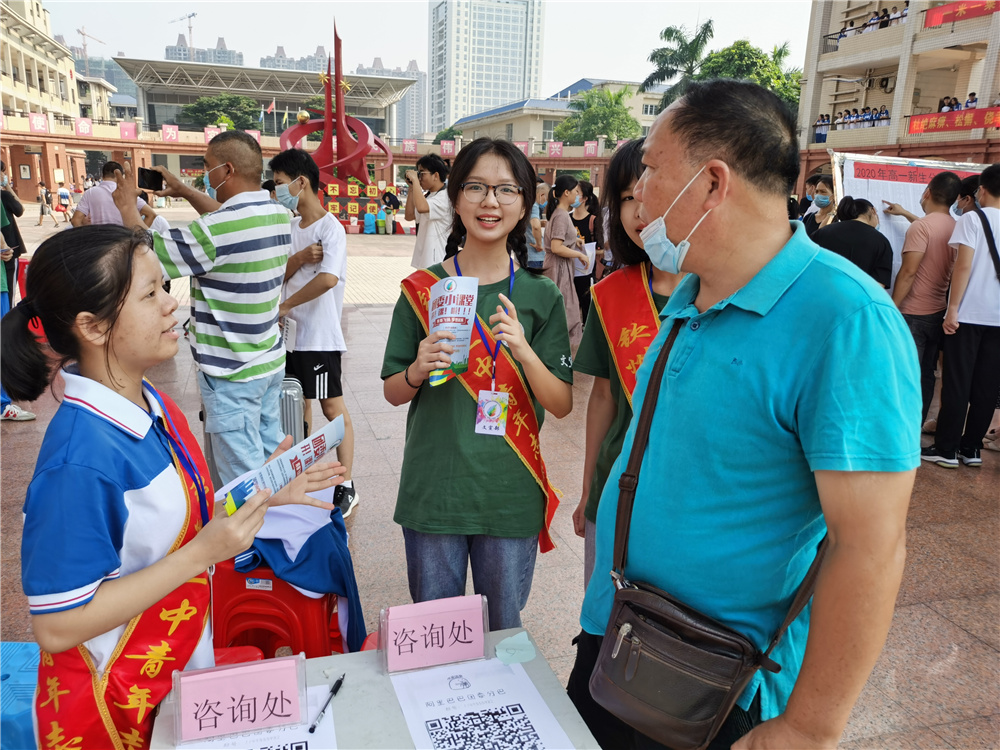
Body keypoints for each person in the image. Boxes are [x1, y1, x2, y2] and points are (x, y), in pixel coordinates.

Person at [567, 79, 919, 750]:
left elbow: (869, 546)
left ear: (711, 183)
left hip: (714, 677)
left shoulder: (847, 321)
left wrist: (809, 727)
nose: (637, 192)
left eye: (650, 169)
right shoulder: (690, 296)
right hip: (621, 633)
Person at [0, 225, 341, 749]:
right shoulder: (78, 462)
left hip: (170, 677)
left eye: (165, 286)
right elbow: (58, 626)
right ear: (92, 326)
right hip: (111, 710)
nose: (171, 306)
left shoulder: (153, 405)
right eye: (149, 294)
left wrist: (264, 492)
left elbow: (174, 521)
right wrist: (200, 555)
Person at [381, 138, 573, 631]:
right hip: (435, 490)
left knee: (502, 633)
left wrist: (524, 351)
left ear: (524, 203)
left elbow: (562, 403)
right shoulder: (422, 289)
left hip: (509, 493)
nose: (491, 201)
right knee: (434, 635)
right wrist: (417, 369)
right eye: (476, 187)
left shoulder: (541, 295)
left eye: (507, 189)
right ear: (456, 197)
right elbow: (393, 391)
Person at [112, 131, 292, 486]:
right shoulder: (277, 213)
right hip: (269, 364)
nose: (205, 175)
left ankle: (253, 523)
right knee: (272, 464)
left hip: (232, 374)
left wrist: (127, 209)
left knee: (244, 483)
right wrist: (184, 191)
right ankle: (279, 518)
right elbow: (227, 220)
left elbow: (148, 255)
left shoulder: (214, 231)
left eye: (208, 167)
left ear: (227, 170)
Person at [571, 138, 685, 590]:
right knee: (603, 611)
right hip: (615, 485)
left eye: (650, 190)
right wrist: (587, 488)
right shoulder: (611, 294)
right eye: (625, 197)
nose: (639, 210)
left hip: (686, 496)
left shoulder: (722, 292)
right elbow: (603, 398)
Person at [269, 148, 359, 517]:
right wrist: (301, 258)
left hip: (318, 337)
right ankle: (299, 476)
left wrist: (286, 306)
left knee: (331, 406)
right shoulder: (291, 228)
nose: (277, 191)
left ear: (301, 182)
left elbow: (328, 279)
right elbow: (279, 274)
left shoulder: (330, 228)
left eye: (280, 183)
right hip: (290, 337)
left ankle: (346, 483)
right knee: (296, 404)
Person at [922, 163, 1000, 469]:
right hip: (997, 318)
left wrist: (952, 309)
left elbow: (963, 266)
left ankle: (946, 449)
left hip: (968, 314)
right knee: (987, 385)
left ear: (982, 190)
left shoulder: (973, 219)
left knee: (957, 382)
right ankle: (972, 449)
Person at [888, 171, 961, 424]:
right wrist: (906, 214)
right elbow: (931, 231)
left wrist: (892, 307)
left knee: (903, 373)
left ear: (927, 192)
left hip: (912, 312)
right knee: (926, 373)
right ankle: (915, 424)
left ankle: (899, 427)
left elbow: (908, 272)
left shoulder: (922, 227)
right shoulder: (956, 227)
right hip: (938, 312)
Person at [544, 175, 589, 348]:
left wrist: (574, 241)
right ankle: (562, 349)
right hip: (559, 268)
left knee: (565, 308)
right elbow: (556, 247)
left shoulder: (560, 213)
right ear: (566, 192)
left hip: (560, 267)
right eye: (576, 191)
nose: (577, 195)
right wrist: (579, 255)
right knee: (565, 309)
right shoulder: (562, 215)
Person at [812, 196, 893, 288]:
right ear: (873, 211)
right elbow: (878, 285)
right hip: (856, 296)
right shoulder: (881, 241)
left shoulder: (822, 232)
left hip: (818, 291)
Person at [72, 161, 153, 228]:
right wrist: (138, 236)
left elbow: (75, 220)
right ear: (120, 176)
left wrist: (88, 237)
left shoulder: (90, 193)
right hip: (123, 239)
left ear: (102, 175)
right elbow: (151, 214)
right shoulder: (126, 193)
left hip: (99, 239)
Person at [404, 154, 451, 268]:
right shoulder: (429, 197)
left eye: (422, 173)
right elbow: (409, 215)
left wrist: (415, 181)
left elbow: (421, 207)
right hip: (425, 258)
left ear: (435, 175)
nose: (419, 177)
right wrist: (412, 187)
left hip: (437, 260)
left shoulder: (445, 197)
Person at [571, 180, 603, 323]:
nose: (573, 195)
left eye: (577, 192)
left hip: (586, 272)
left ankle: (585, 330)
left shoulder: (593, 220)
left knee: (586, 304)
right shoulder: (566, 218)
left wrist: (586, 252)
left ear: (584, 198)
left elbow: (601, 250)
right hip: (569, 269)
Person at [0, 160, 26, 295]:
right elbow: (20, 209)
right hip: (7, 250)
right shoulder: (4, 196)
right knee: (9, 292)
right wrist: (7, 186)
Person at [525, 180, 548, 270]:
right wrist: (539, 244)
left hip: (525, 254)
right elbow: (535, 226)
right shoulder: (534, 205)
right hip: (535, 256)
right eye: (547, 199)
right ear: (542, 195)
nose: (546, 202)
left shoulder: (526, 204)